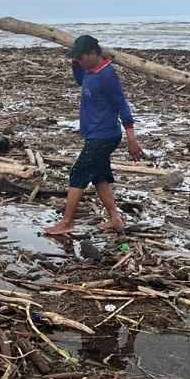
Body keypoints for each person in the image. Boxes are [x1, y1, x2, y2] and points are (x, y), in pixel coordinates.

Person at [45, 35, 142, 237]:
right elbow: (82, 82)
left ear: (92, 54)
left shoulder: (108, 76)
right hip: (95, 134)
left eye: (81, 58)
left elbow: (122, 105)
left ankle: (67, 222)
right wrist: (75, 65)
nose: (79, 62)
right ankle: (115, 219)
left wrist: (132, 139)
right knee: (99, 177)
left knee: (78, 174)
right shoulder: (89, 71)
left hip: (104, 136)